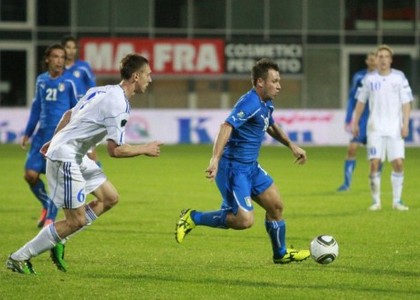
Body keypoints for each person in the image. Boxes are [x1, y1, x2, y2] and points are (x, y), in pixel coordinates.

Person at [6, 54, 163, 275]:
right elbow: (115, 150)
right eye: (148, 74)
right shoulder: (119, 104)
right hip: (66, 156)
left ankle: (60, 237)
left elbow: (69, 115)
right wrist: (144, 148)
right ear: (136, 76)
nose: (150, 79)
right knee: (76, 220)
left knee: (109, 198)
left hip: (74, 153)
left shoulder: (101, 90)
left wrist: (55, 139)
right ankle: (18, 257)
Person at [175, 58, 310, 264]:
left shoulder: (266, 103)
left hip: (251, 167)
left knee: (276, 206)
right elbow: (226, 127)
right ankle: (193, 217)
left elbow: (270, 126)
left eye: (279, 80)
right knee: (244, 221)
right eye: (274, 81)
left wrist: (291, 145)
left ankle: (280, 254)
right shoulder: (250, 102)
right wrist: (215, 160)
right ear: (260, 82)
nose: (279, 86)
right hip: (232, 168)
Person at [21, 44, 78, 228]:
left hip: (59, 138)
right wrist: (27, 133)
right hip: (40, 136)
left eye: (62, 57)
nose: (60, 60)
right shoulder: (41, 81)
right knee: (30, 175)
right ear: (48, 59)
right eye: (56, 57)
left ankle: (50, 220)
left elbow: (76, 111)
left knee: (55, 180)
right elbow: (37, 108)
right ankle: (46, 205)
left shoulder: (69, 82)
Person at [352, 44, 413, 211]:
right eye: (380, 57)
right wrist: (354, 122)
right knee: (374, 164)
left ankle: (397, 201)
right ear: (376, 60)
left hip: (395, 128)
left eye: (386, 57)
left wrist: (406, 124)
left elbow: (406, 103)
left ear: (391, 60)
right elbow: (360, 102)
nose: (383, 60)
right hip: (375, 128)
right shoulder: (369, 79)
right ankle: (376, 202)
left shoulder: (399, 78)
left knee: (399, 163)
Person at [337, 52, 377, 191]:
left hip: (377, 122)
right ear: (367, 61)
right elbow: (351, 98)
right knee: (352, 148)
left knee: (375, 156)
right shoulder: (359, 77)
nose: (372, 62)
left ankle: (374, 184)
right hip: (362, 120)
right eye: (370, 60)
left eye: (375, 60)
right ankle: (347, 184)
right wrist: (349, 118)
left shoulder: (383, 79)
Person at [61, 35, 101, 164]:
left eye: (74, 48)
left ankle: (99, 180)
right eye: (68, 47)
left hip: (82, 114)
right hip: (63, 116)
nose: (71, 51)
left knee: (89, 154)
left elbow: (93, 89)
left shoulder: (83, 67)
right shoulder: (58, 69)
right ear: (62, 49)